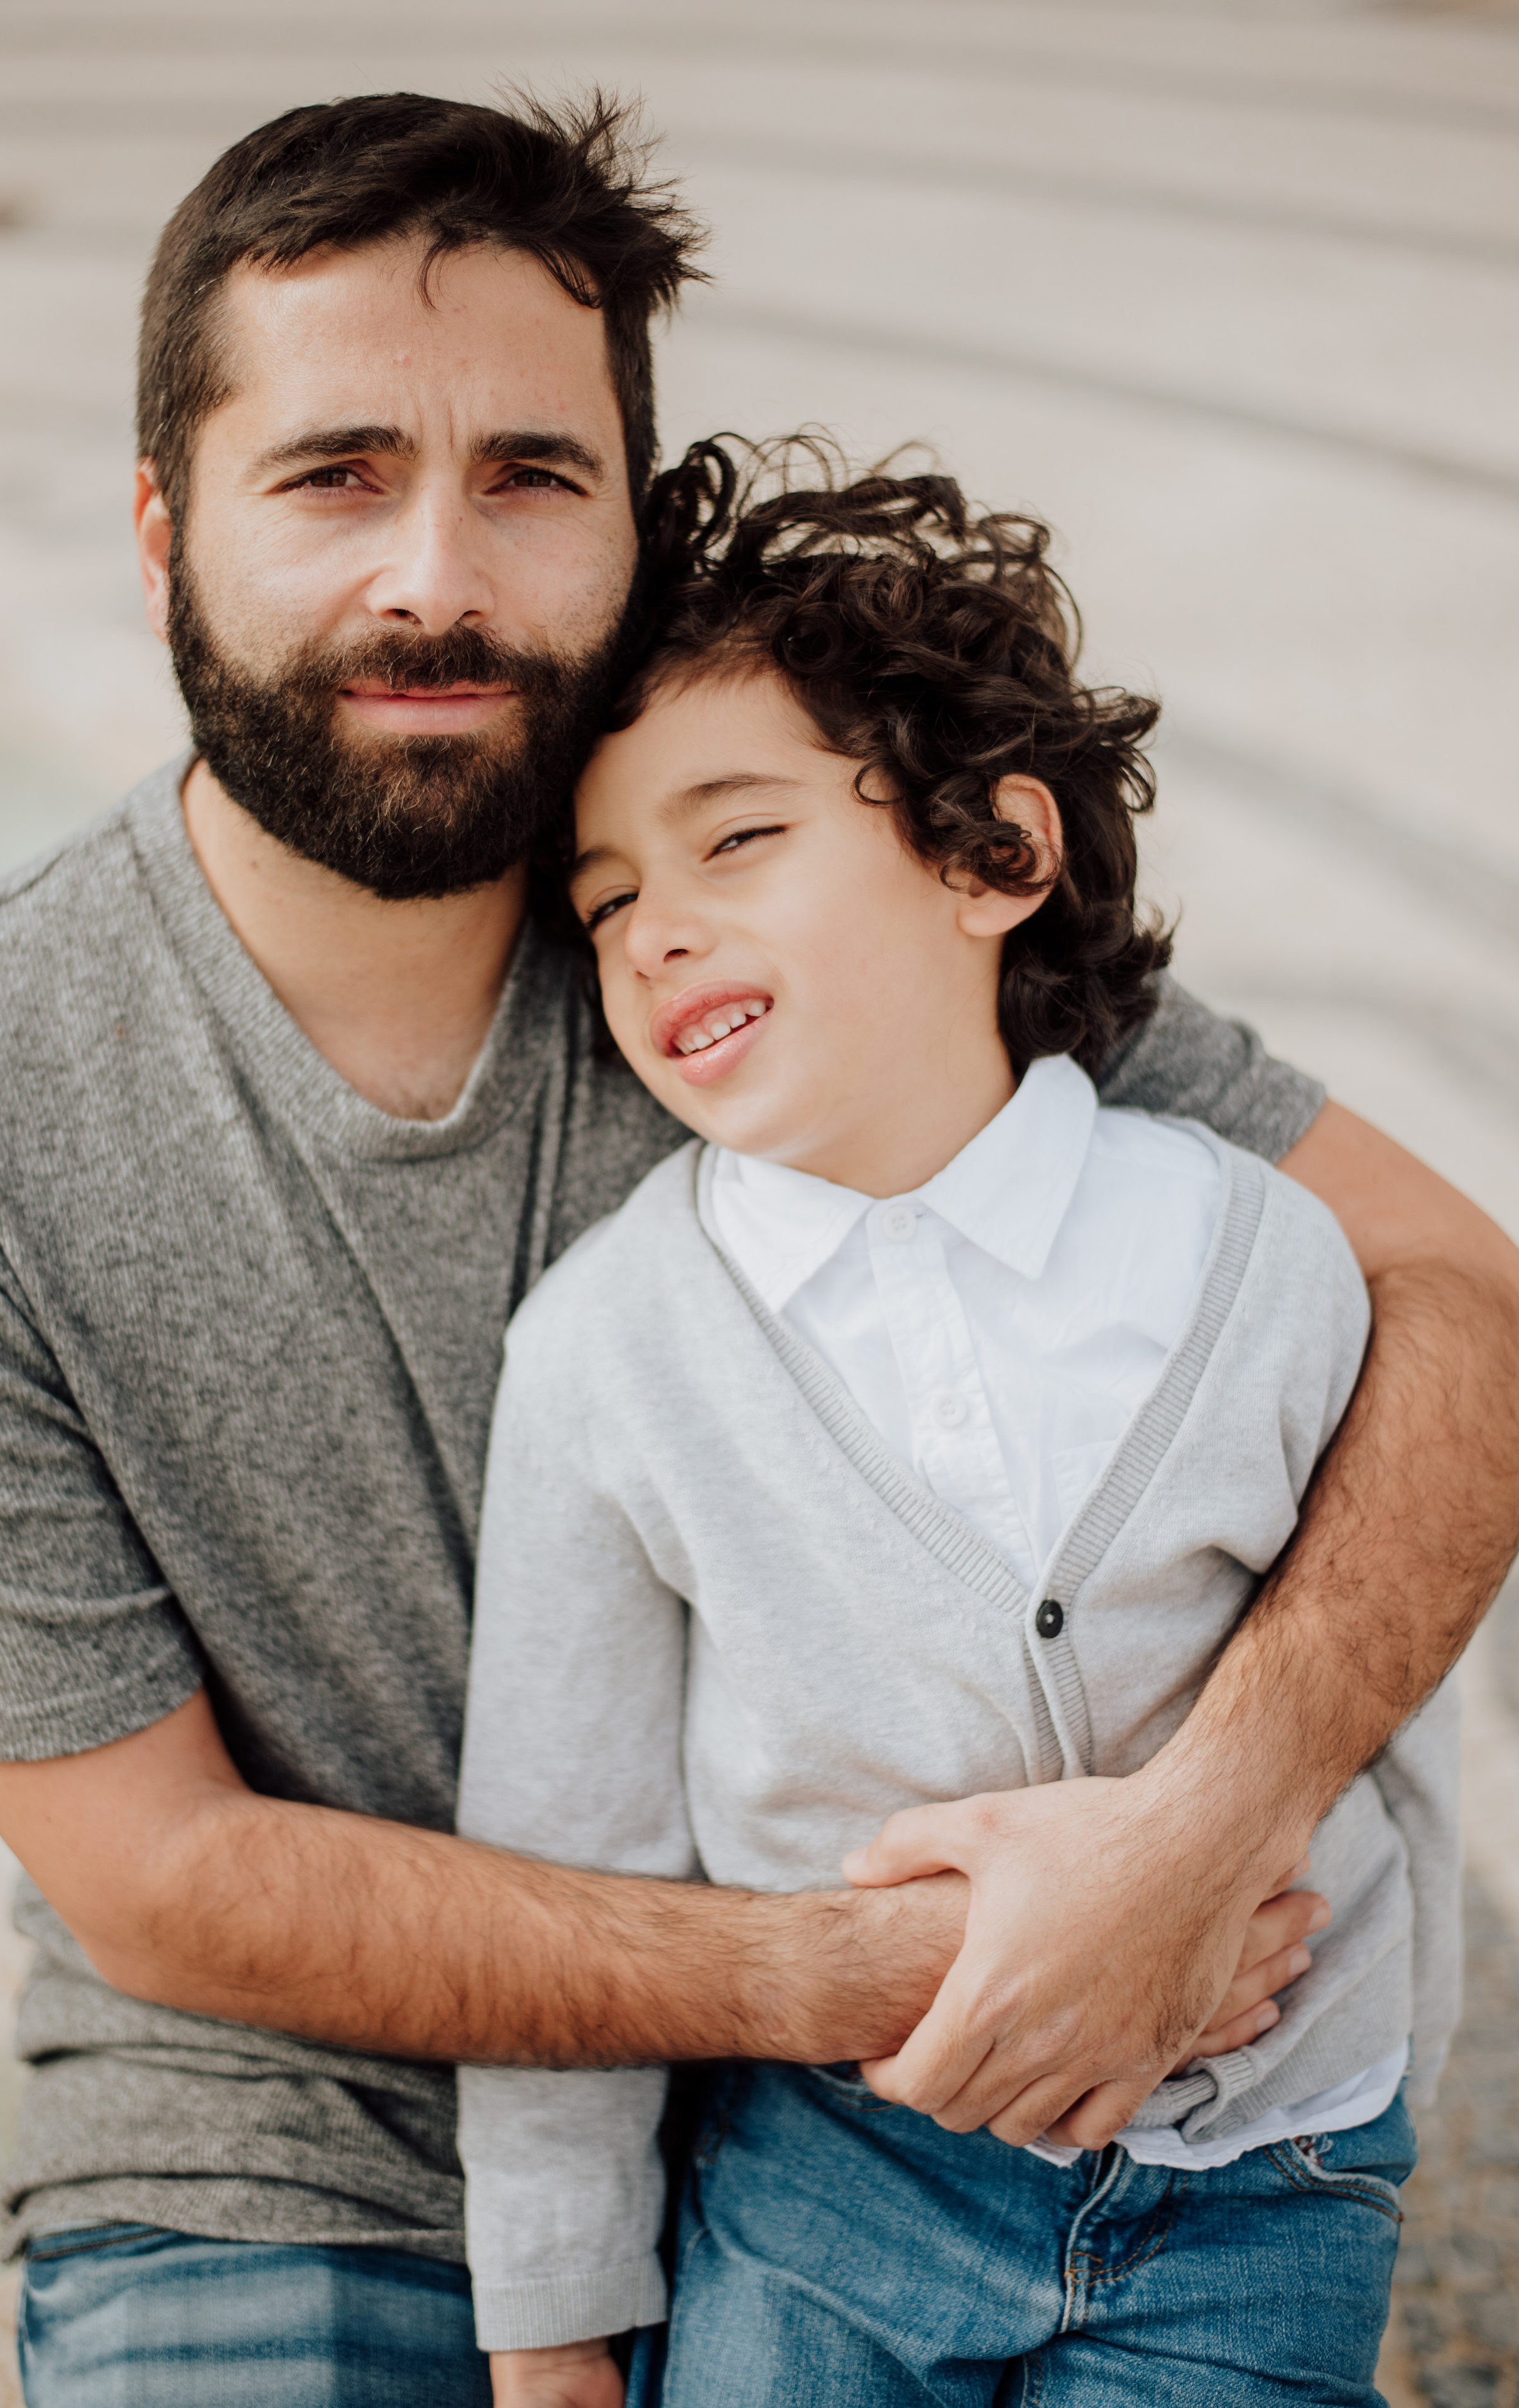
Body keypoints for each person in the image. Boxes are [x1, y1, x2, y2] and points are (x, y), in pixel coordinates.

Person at [0, 90, 1510, 2408]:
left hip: (932, 2124)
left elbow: (1461, 1300)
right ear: (163, 527)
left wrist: (1201, 1829)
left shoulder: (787, 910)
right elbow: (169, 1875)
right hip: (284, 2139)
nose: (435, 575)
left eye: (532, 477)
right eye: (336, 472)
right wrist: (848, 1978)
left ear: (633, 530)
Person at [454, 454, 1457, 2406]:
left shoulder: (1260, 1253)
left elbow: (1385, 1683)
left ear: (995, 857)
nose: (654, 930)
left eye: (733, 840)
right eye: (608, 900)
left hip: (1264, 2181)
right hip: (830, 2192)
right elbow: (560, 1851)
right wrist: (555, 2333)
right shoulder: (606, 1355)